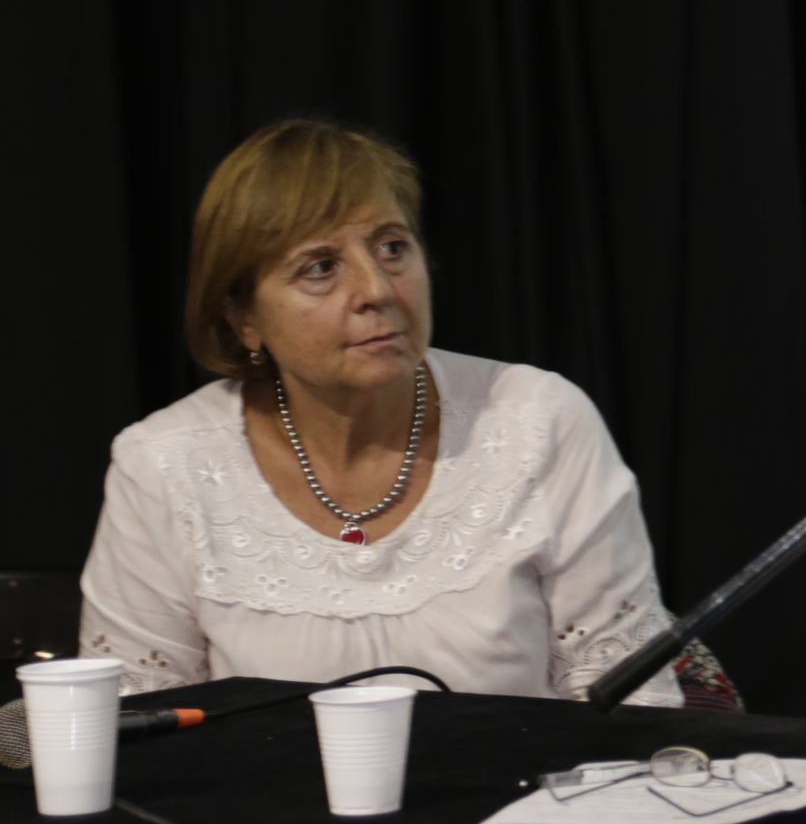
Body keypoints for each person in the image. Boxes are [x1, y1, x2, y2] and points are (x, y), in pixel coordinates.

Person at [78, 119, 685, 706]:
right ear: (244, 318)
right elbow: (138, 725)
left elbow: (633, 701)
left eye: (392, 248)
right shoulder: (164, 467)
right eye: (321, 267)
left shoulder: (539, 420)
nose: (378, 289)